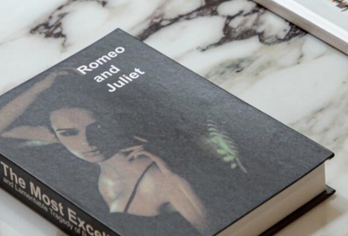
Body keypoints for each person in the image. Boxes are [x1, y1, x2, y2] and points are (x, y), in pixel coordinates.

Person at [0, 70, 208, 234]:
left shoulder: (161, 176)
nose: (86, 142)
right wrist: (37, 88)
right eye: (69, 134)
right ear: (55, 136)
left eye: (96, 129)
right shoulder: (84, 176)